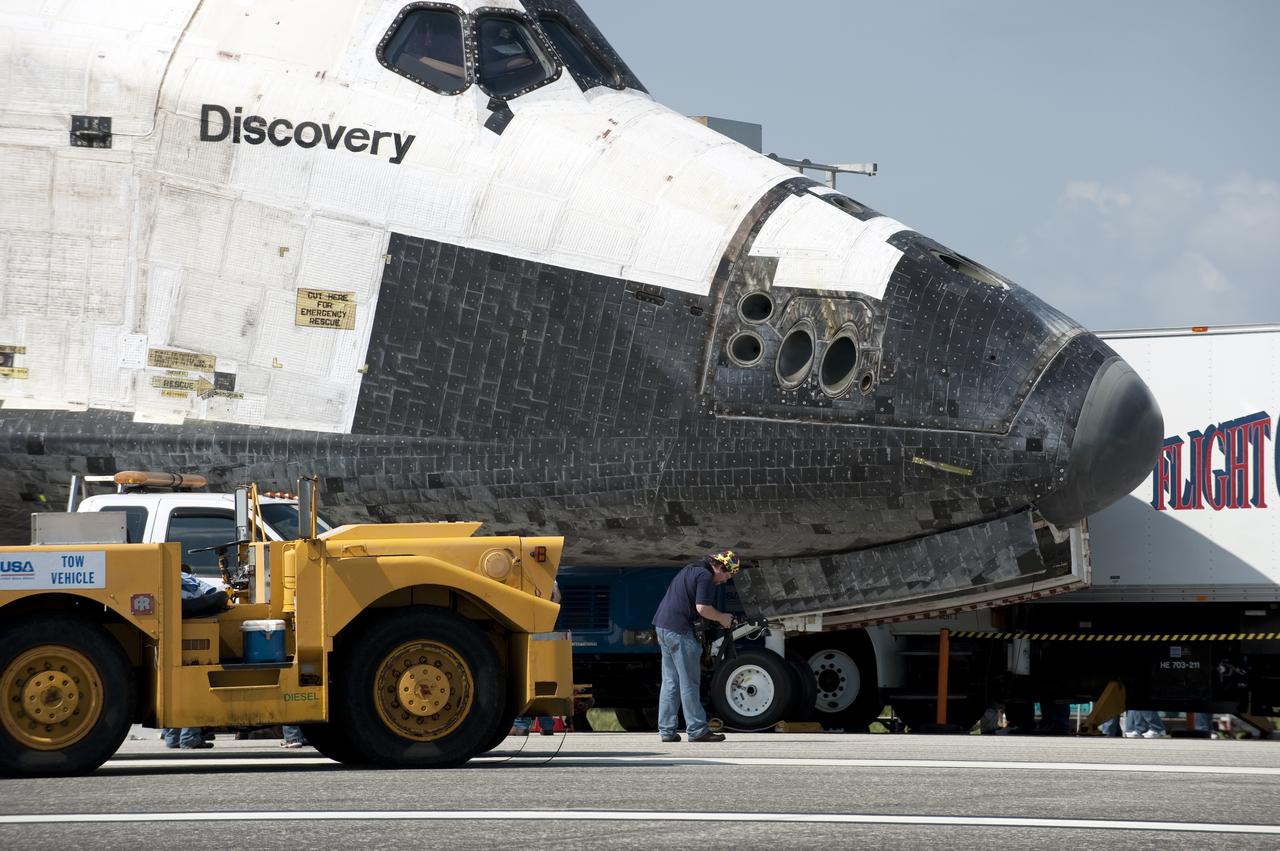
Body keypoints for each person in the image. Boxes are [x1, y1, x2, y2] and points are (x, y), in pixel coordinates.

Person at [652, 549, 740, 743]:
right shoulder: (706, 576)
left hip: (663, 626)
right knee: (689, 682)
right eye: (727, 574)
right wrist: (723, 618)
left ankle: (666, 731)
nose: (725, 580)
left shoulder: (690, 569)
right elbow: (703, 608)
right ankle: (697, 730)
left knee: (670, 681)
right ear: (719, 566)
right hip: (680, 632)